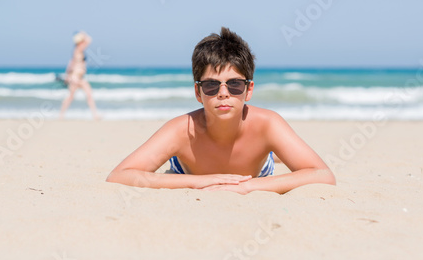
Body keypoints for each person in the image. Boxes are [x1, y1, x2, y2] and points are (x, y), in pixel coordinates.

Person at [106, 27, 335, 194]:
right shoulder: (181, 130)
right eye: (211, 85)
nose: (223, 93)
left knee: (271, 153)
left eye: (234, 84)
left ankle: (271, 154)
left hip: (257, 168)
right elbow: (119, 175)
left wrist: (248, 186)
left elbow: (323, 175)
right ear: (198, 93)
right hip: (187, 168)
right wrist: (197, 181)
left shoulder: (268, 124)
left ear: (248, 90)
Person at [60, 31, 100, 120]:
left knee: (88, 95)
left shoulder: (76, 51)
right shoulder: (78, 49)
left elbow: (71, 63)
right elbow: (89, 40)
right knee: (72, 97)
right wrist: (83, 33)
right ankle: (61, 115)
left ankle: (95, 115)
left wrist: (67, 75)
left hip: (79, 77)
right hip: (76, 77)